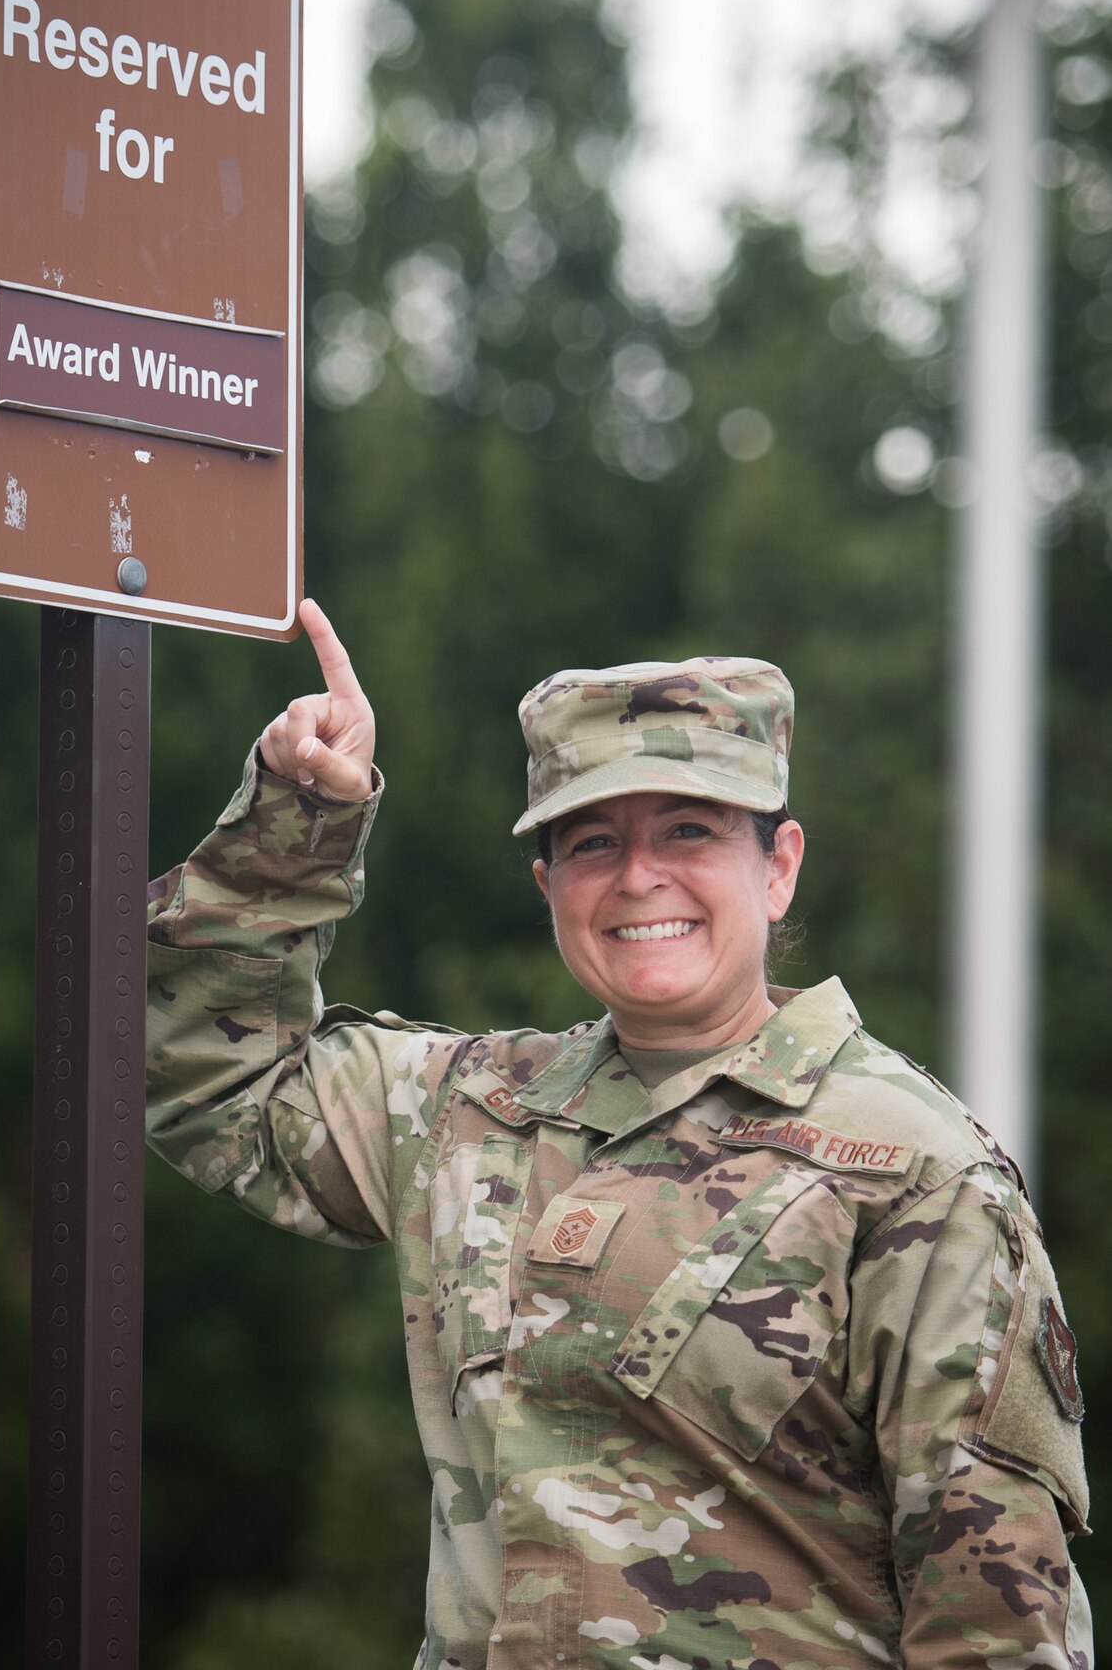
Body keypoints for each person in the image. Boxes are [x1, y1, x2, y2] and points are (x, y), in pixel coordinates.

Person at [146, 600, 1091, 1670]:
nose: (639, 875)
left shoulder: (913, 1169)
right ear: (549, 887)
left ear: (776, 865)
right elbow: (202, 1072)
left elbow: (995, 1623)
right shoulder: (467, 1110)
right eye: (594, 840)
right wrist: (297, 815)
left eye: (688, 828)